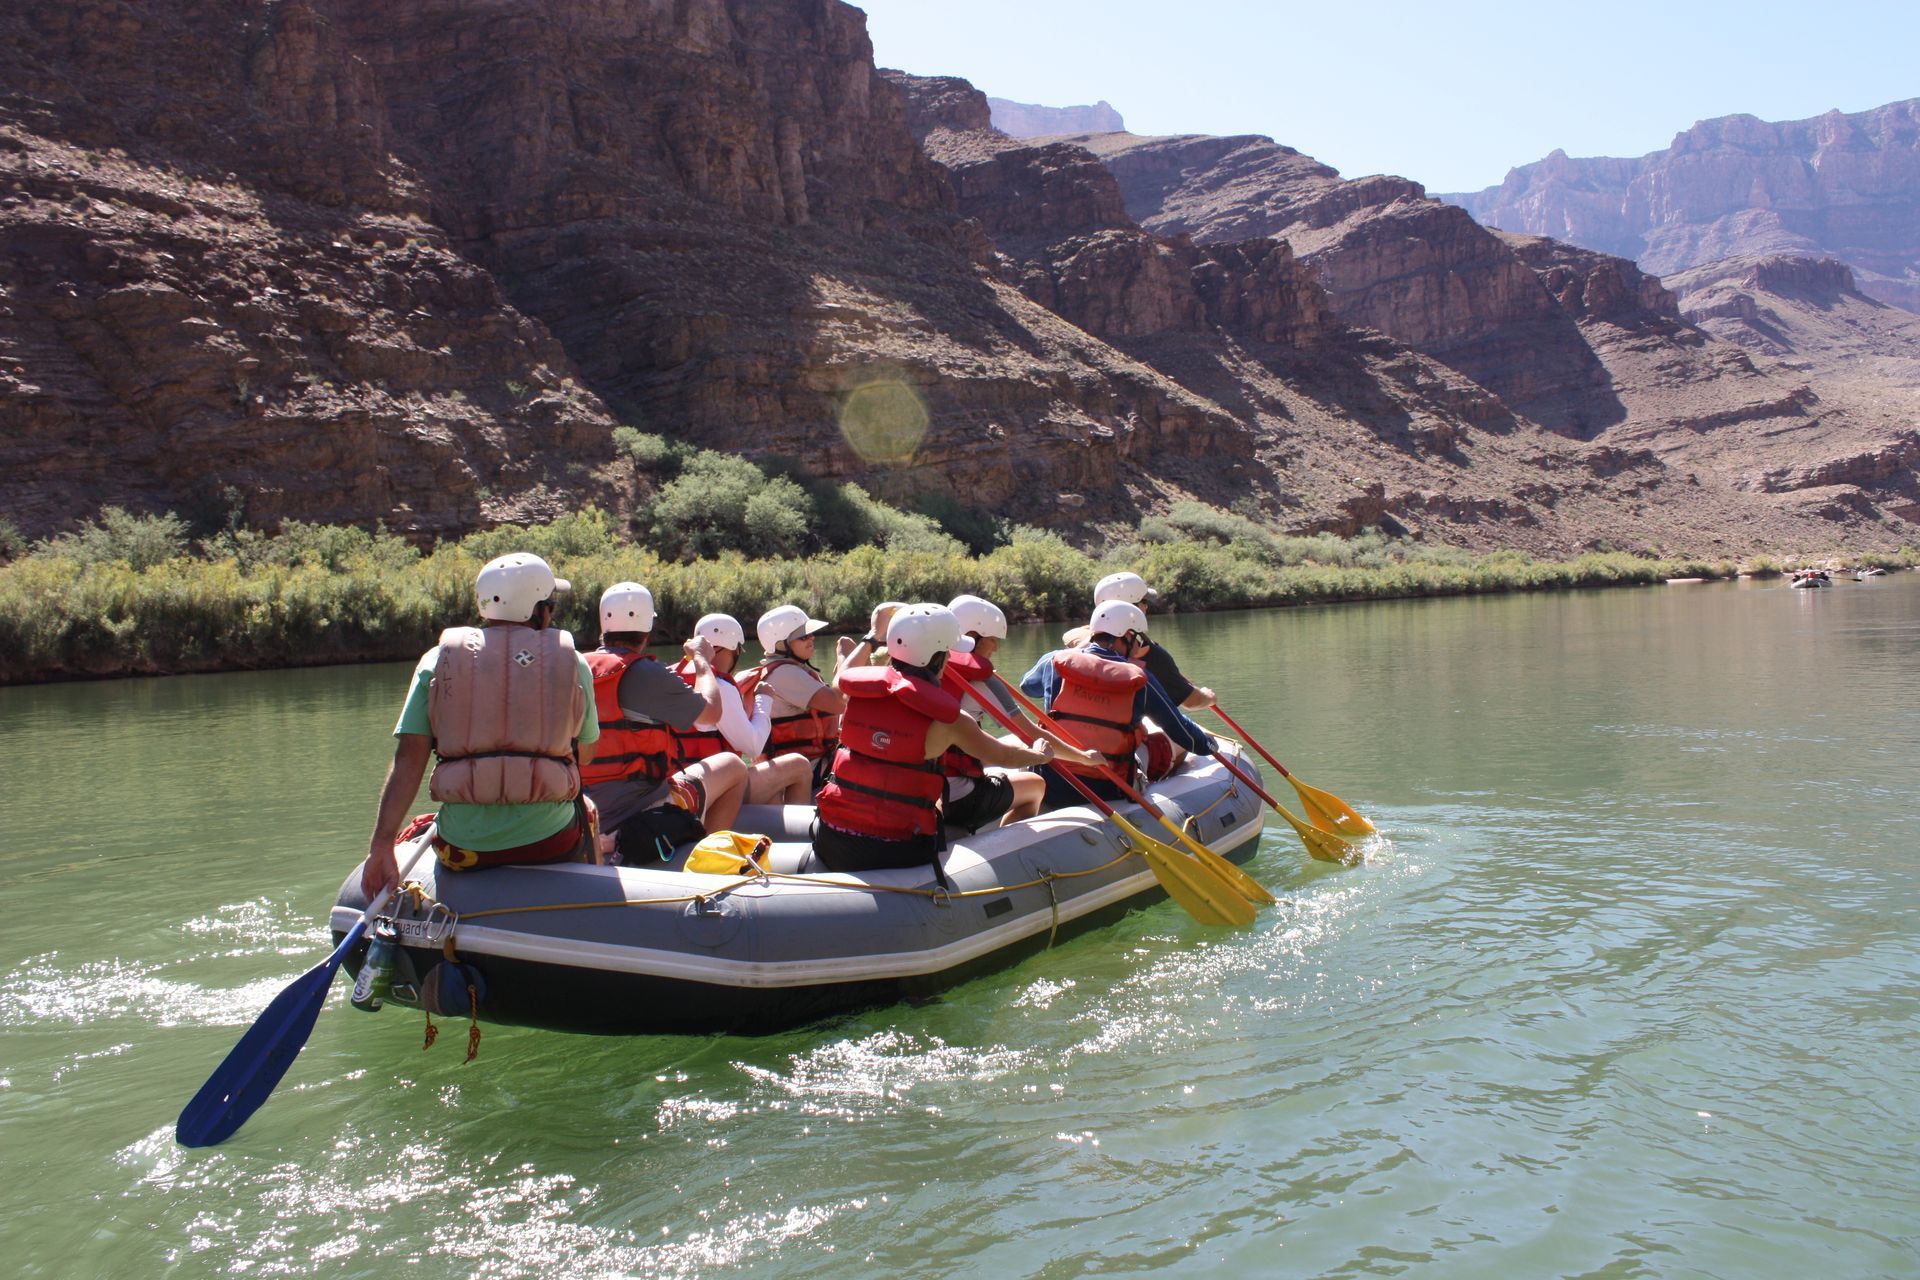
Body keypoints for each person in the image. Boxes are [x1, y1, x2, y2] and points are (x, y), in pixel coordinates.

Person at [361, 553, 598, 898]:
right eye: (550, 605)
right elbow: (587, 754)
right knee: (588, 809)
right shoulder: (573, 661)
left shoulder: (437, 660)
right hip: (549, 841)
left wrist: (381, 846)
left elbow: (409, 759)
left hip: (463, 847)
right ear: (537, 609)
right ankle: (588, 909)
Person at [814, 603, 1056, 878]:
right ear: (937, 657)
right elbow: (1005, 757)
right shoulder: (950, 720)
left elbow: (840, 676)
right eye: (948, 652)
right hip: (896, 850)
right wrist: (1039, 754)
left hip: (831, 838)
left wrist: (872, 636)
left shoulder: (856, 691)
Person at [580, 582, 749, 864]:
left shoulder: (578, 668)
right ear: (647, 630)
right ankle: (705, 862)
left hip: (586, 809)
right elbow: (710, 712)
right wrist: (703, 661)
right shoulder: (646, 672)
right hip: (640, 806)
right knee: (733, 765)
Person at [1020, 598, 1218, 807]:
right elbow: (1185, 734)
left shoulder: (1055, 661)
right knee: (1170, 745)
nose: (1137, 649)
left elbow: (1028, 687)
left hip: (1051, 781)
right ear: (1128, 636)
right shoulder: (1140, 679)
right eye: (1139, 641)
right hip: (1110, 788)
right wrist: (1211, 747)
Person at [941, 594, 1102, 830]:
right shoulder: (981, 681)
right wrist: (1084, 757)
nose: (996, 647)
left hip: (926, 787)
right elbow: (1031, 734)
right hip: (957, 795)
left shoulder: (923, 669)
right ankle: (1002, 843)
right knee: (1036, 785)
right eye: (992, 639)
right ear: (972, 637)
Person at [669, 612, 813, 806]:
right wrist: (763, 698)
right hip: (708, 793)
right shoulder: (720, 686)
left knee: (770, 787)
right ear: (733, 649)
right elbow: (753, 746)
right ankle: (800, 836)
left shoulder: (670, 676)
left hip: (675, 785)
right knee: (799, 765)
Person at [1064, 572, 1217, 711]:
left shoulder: (1088, 641)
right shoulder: (1151, 655)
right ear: (1131, 607)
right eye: (1143, 601)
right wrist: (1209, 697)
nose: (1146, 606)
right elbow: (1191, 702)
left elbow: (1071, 635)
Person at [739, 604, 847, 784]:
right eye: (804, 636)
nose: (812, 638)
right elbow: (840, 703)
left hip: (810, 765)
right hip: (804, 773)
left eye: (811, 633)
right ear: (781, 644)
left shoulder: (787, 670)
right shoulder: (785, 674)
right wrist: (844, 657)